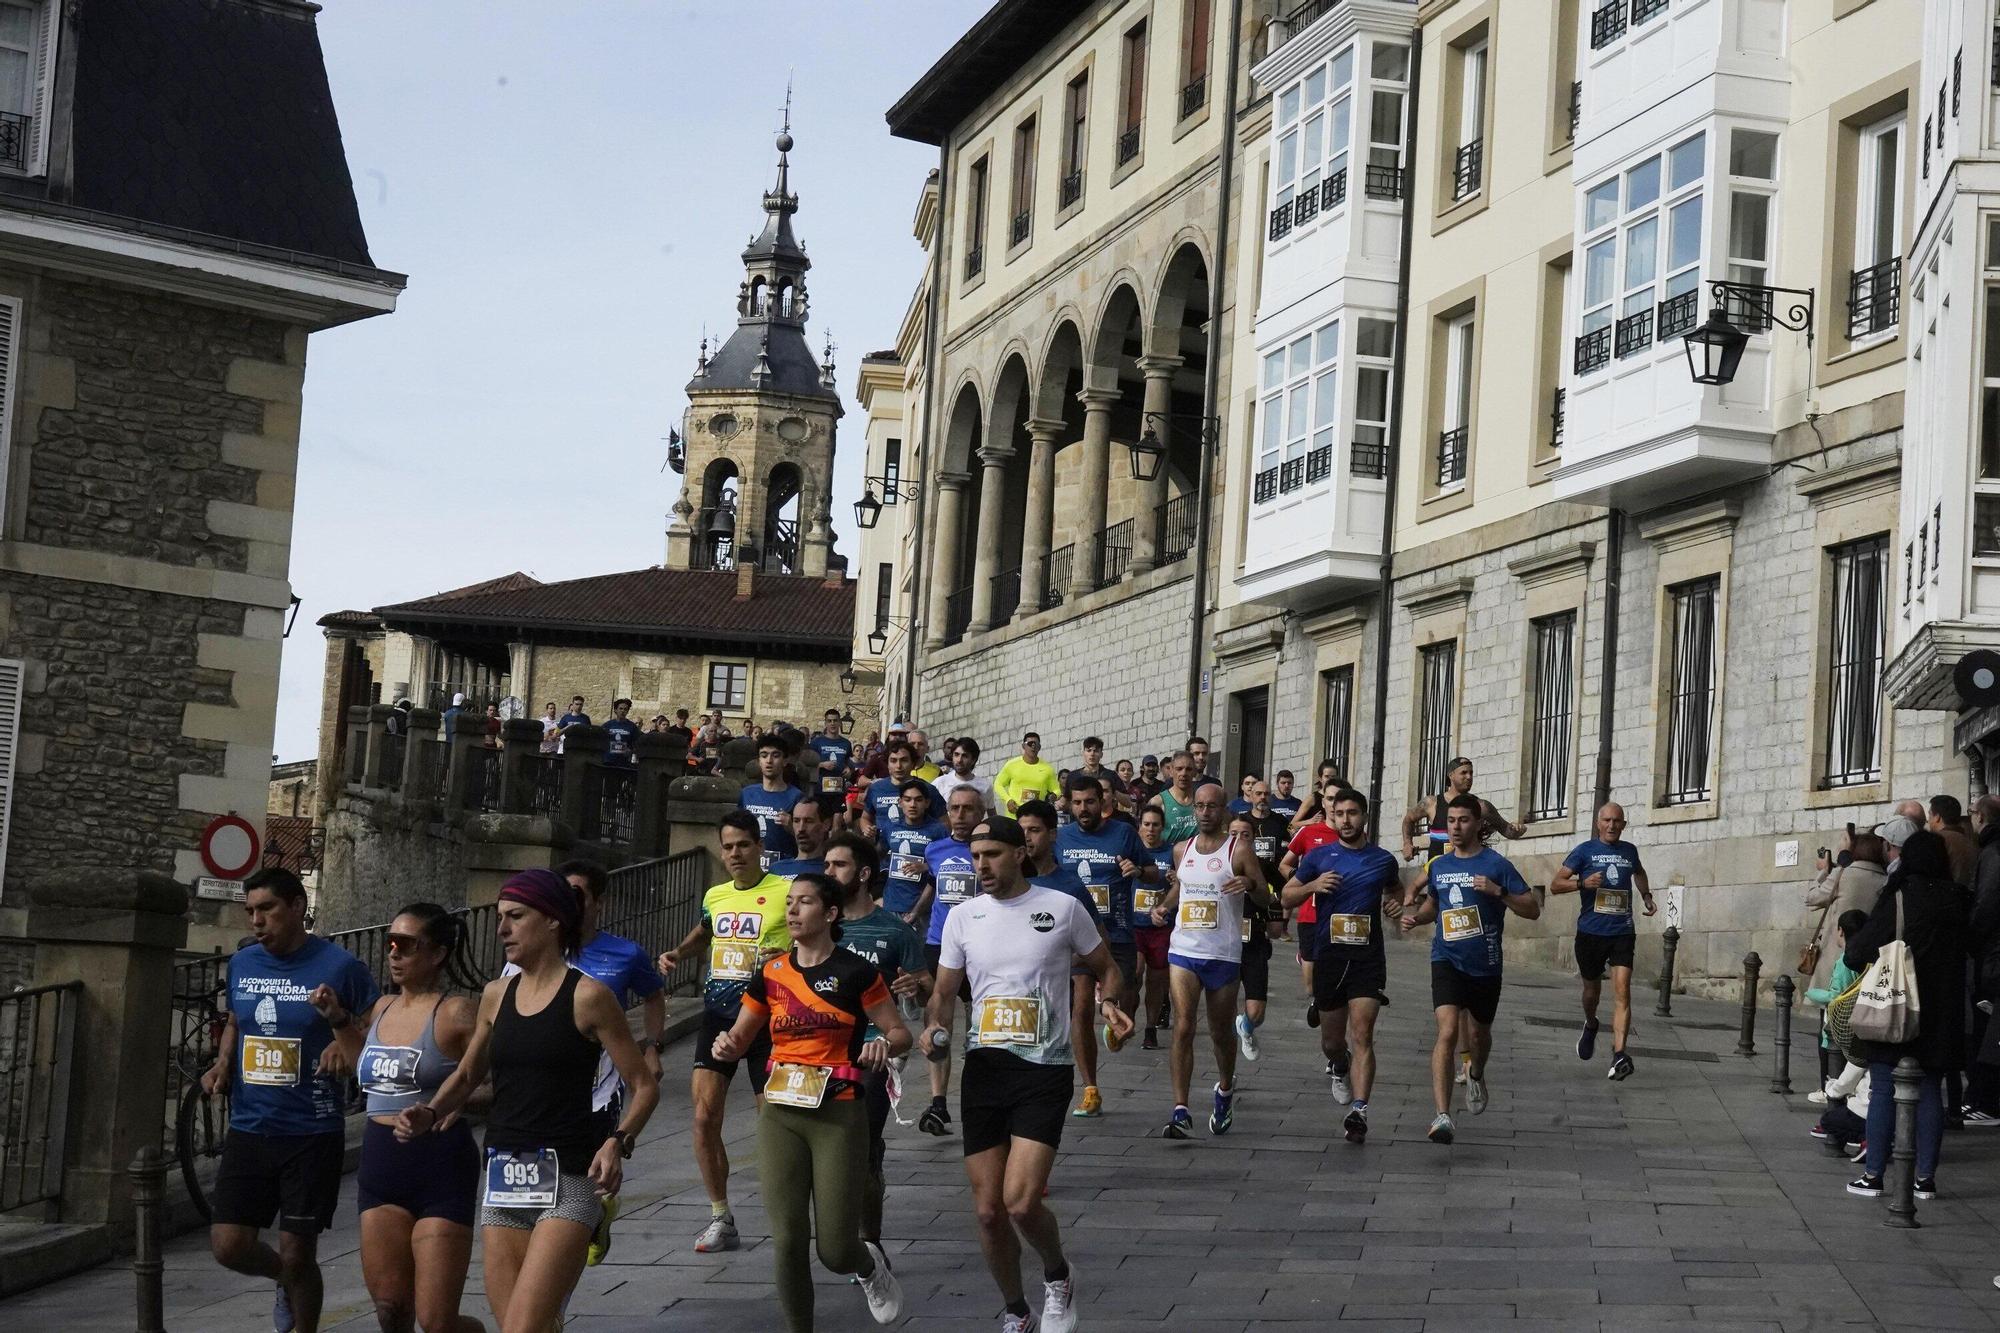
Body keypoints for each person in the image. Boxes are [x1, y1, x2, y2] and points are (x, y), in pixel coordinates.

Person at [396, 869, 657, 1333]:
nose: (502, 930)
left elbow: (644, 1084)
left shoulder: (589, 997)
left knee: (523, 1328)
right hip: (503, 1177)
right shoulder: (496, 995)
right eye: (500, 917)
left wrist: (618, 1142)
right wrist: (431, 1110)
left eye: (515, 917)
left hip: (570, 1178)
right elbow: (469, 1072)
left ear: (553, 920)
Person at [920, 816, 1128, 1333]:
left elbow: (1107, 966)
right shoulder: (963, 917)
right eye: (975, 856)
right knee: (989, 1212)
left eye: (991, 854)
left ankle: (1057, 1275)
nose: (981, 865)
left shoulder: (1061, 908)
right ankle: (1016, 1311)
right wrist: (934, 1029)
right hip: (985, 1069)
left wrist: (1110, 1004)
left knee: (1019, 1201)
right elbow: (944, 993)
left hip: (1044, 1069)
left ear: (1020, 853)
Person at [709, 873, 909, 1329]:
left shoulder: (857, 973)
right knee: (789, 1240)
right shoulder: (771, 973)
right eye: (790, 903)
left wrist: (884, 1044)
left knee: (836, 1248)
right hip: (780, 1114)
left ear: (831, 913)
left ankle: (868, 1267)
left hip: (838, 1113)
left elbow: (900, 1033)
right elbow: (740, 1037)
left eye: (805, 903)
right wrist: (725, 1045)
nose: (793, 911)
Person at [201, 868, 379, 1333]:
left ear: (298, 907)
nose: (256, 921)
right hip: (249, 1125)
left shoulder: (341, 967)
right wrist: (223, 1063)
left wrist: (344, 1036)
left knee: (300, 1249)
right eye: (250, 912)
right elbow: (237, 1020)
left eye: (267, 909)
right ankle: (288, 1280)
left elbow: (378, 1029)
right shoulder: (243, 964)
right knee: (228, 1245)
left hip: (311, 1130)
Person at [316, 904, 485, 1333]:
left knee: (436, 1322)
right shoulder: (382, 1008)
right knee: (391, 1310)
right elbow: (367, 1075)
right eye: (390, 943)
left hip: (440, 1165)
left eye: (406, 944)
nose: (394, 953)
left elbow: (498, 1085)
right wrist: (338, 1021)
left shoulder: (457, 1013)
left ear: (438, 953)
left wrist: (452, 1104)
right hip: (381, 1165)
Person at [656, 811, 792, 1251]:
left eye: (743, 845)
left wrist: (785, 954)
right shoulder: (715, 895)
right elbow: (707, 930)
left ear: (759, 847)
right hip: (718, 1015)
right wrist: (678, 952)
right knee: (702, 1117)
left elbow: (819, 937)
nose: (735, 853)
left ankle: (789, 1213)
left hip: (768, 1018)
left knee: (771, 1123)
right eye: (728, 846)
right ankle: (721, 1216)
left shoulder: (786, 891)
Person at [1399, 794, 1540, 1144]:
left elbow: (1532, 909)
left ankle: (1476, 1073)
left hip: (1486, 964)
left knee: (1478, 1035)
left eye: (1463, 821)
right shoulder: (1441, 866)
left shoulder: (1496, 865)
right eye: (1451, 821)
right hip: (1445, 958)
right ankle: (1442, 1115)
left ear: (1478, 824)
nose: (1456, 827)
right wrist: (1417, 918)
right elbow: (1434, 905)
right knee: (1447, 1031)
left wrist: (1499, 892)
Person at [545, 859, 667, 1266]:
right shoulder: (537, 951)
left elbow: (653, 996)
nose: (569, 903)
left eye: (578, 894)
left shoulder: (625, 953)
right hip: (546, 1086)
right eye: (562, 894)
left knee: (589, 1177)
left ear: (600, 902)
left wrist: (651, 1046)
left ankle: (592, 1216)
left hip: (603, 1083)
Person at [1843, 829, 1968, 1201]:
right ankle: (1925, 1179)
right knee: (1930, 1089)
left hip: (1896, 1005)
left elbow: (1858, 951)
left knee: (1883, 1087)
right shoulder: (1959, 898)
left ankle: (1875, 1175)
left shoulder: (1900, 895)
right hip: (1942, 1012)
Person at [822, 832, 932, 1245]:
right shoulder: (820, 926)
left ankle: (868, 1241)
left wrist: (914, 988)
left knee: (862, 1146)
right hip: (819, 1050)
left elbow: (927, 989)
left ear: (864, 874)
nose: (829, 872)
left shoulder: (895, 931)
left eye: (839, 865)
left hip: (877, 1049)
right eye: (826, 865)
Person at [1148, 781, 1269, 1138]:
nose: (1204, 813)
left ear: (1224, 811)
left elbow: (1264, 896)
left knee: (1219, 1033)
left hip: (1223, 954)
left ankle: (1225, 1090)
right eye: (1199, 807)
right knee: (1184, 1025)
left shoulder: (1239, 850)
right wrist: (1164, 907)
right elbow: (1182, 886)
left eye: (1211, 807)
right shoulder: (1181, 849)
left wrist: (1248, 885)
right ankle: (1181, 1110)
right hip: (1184, 950)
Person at [1280, 789, 1400, 1142]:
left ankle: (1360, 1111)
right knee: (1333, 1042)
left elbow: (1396, 891)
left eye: (1353, 813)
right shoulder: (1318, 857)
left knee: (1363, 1034)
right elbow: (1287, 895)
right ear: (1332, 815)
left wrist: (1395, 906)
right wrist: (1313, 885)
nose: (1346, 820)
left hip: (1367, 959)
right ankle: (1340, 1064)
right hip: (1329, 956)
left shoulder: (1383, 859)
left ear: (1364, 816)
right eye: (1340, 813)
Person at [1055, 770, 1158, 1118]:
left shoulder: (1124, 833)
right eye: (1078, 803)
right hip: (1079, 938)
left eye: (1090, 802)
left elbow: (1153, 871)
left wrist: (1138, 872)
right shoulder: (1060, 838)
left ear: (1103, 803)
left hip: (1118, 933)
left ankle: (1120, 1021)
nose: (1084, 808)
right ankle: (1090, 1089)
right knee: (1081, 1006)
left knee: (1124, 1001)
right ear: (1069, 804)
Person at [1550, 803, 1655, 1081]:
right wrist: (1582, 884)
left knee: (1623, 991)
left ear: (1623, 824)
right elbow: (1555, 884)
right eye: (1607, 820)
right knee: (1591, 993)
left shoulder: (1629, 851)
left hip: (1622, 931)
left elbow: (1639, 872)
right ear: (1598, 823)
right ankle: (1591, 1022)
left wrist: (1646, 895)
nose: (1611, 825)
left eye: (1617, 821)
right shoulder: (1584, 851)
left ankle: (1619, 1054)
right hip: (1591, 933)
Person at [918, 785, 984, 1135]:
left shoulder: (986, 851)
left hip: (978, 946)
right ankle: (938, 1103)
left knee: (978, 1027)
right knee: (938, 1023)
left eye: (968, 809)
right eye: (954, 809)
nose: (960, 816)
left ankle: (978, 1095)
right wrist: (916, 913)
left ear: (981, 813)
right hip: (938, 944)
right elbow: (932, 885)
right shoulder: (935, 849)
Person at [1806, 828, 1889, 1085]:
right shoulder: (1886, 879)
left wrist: (1824, 869)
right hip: (1868, 964)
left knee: (1829, 1026)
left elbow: (1812, 897)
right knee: (1860, 1028)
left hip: (1837, 960)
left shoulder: (1844, 874)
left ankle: (1828, 1083)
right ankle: (1855, 1086)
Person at [1281, 776, 1345, 1032]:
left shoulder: (1353, 833)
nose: (1333, 804)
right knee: (1310, 985)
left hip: (1339, 915)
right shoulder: (1309, 832)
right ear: (1323, 801)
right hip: (1310, 912)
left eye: (1338, 799)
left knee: (1333, 975)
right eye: (1329, 799)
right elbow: (1285, 864)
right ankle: (1318, 996)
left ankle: (1327, 1007)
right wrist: (1301, 883)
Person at [1805, 909, 1871, 1148]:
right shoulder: (1866, 958)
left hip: (1838, 1029)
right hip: (1857, 1028)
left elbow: (1837, 996)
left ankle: (1837, 1127)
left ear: (1840, 931)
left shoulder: (1845, 960)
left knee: (1838, 1075)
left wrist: (1811, 992)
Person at [1229, 801, 1287, 1062]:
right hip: (1224, 947)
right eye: (1233, 835)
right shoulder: (1216, 865)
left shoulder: (1263, 867)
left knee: (1257, 1011)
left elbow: (1282, 891)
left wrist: (1276, 919)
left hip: (1254, 943)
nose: (1239, 839)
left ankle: (1247, 1027)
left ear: (1254, 839)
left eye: (1245, 835)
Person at [1398, 757, 1524, 864]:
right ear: (1451, 775)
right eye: (1463, 773)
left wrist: (1518, 830)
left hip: (1469, 873)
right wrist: (1407, 843)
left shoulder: (1482, 806)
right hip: (1439, 873)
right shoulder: (1431, 803)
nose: (1469, 777)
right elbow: (1408, 819)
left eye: (1471, 773)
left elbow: (1507, 831)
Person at [1967, 794, 2000, 1126]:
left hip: (1992, 955)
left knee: (1989, 1031)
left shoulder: (1992, 853)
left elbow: (1986, 905)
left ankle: (1987, 1103)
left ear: (1981, 817)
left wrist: (1971, 941)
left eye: (1973, 812)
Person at [1132, 805, 1177, 1050]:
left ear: (1163, 827)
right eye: (1146, 824)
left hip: (1161, 928)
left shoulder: (1171, 853)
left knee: (1157, 981)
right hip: (1135, 924)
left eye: (1155, 824)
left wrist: (1175, 880)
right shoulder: (1132, 851)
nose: (1150, 829)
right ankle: (1128, 1008)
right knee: (1136, 971)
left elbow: (1181, 887)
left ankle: (1150, 1028)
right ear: (1140, 826)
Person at [881, 776, 950, 928]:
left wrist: (926, 866)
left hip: (925, 907)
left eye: (918, 800)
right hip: (892, 904)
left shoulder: (938, 830)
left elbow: (947, 864)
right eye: (907, 799)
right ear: (900, 803)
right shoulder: (890, 828)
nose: (912, 805)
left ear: (927, 803)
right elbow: (879, 855)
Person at [741, 737, 805, 866]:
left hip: (783, 869)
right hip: (751, 867)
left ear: (785, 760)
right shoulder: (746, 794)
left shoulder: (797, 797)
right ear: (759, 760)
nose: (769, 761)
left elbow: (810, 840)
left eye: (775, 755)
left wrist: (792, 827)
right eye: (764, 756)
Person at [864, 739, 944, 832]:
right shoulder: (876, 788)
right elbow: (865, 818)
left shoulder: (928, 789)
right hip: (882, 845)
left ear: (913, 763)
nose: (898, 766)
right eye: (893, 761)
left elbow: (944, 824)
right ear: (887, 764)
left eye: (904, 760)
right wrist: (867, 829)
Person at [994, 732, 1061, 815]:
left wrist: (1053, 796)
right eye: (1030, 744)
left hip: (1036, 817)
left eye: (1036, 744)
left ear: (1039, 747)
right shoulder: (1012, 765)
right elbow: (998, 784)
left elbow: (1057, 789)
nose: (1033, 746)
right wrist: (1008, 800)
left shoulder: (1047, 769)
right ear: (1023, 746)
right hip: (1014, 816)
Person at [769, 795, 832, 876]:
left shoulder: (830, 871)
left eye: (809, 821)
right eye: (796, 821)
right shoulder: (776, 869)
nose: (801, 828)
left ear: (826, 825)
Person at [1930, 795, 1978, 887]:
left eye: (1930, 814)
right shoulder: (1970, 840)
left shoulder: (1936, 841)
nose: (1928, 820)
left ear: (1937, 817)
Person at [935, 737, 995, 812]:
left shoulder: (985, 786)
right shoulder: (939, 783)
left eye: (965, 756)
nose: (959, 760)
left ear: (973, 760)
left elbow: (992, 814)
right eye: (956, 755)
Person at [1152, 750, 1199, 845]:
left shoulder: (1202, 800)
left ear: (1194, 772)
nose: (1184, 773)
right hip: (1170, 857)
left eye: (1189, 769)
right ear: (1172, 771)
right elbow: (1145, 837)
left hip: (1197, 857)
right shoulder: (1158, 802)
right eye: (1179, 769)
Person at [807, 710, 854, 796]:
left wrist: (848, 770)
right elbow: (807, 765)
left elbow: (848, 763)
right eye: (829, 721)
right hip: (820, 791)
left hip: (839, 791)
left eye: (835, 720)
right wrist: (822, 765)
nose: (832, 723)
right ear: (825, 723)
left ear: (840, 723)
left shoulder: (846, 743)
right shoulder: (816, 742)